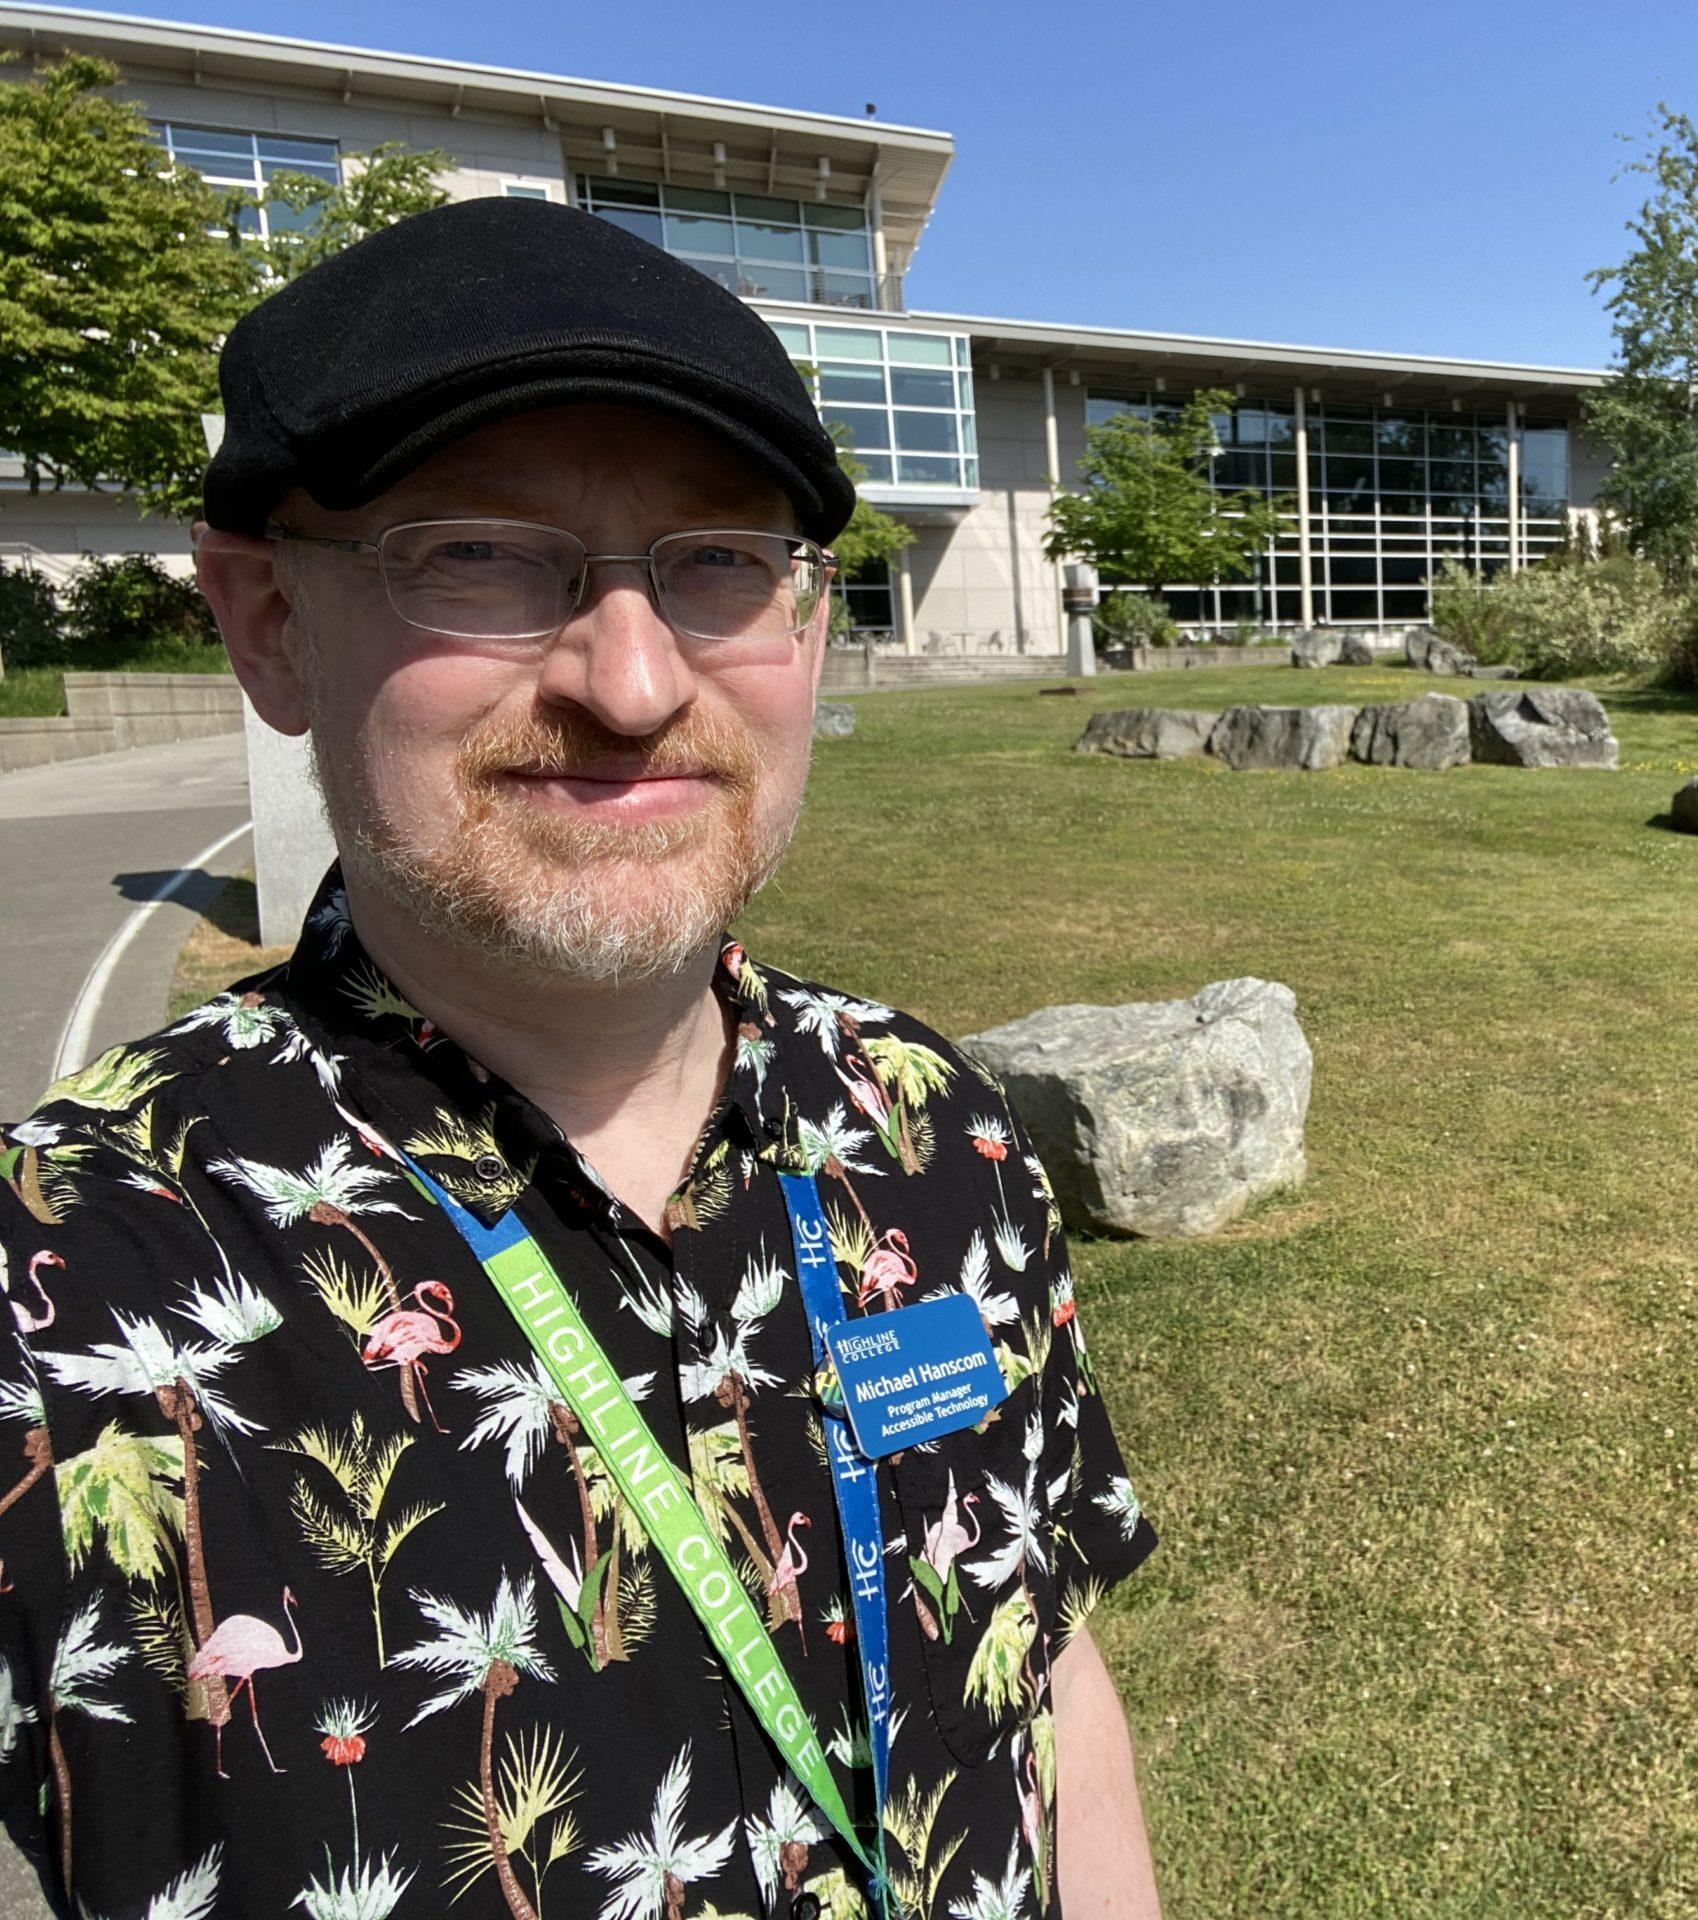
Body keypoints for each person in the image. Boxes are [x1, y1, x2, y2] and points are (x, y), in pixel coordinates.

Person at [0, 196, 1159, 1919]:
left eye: (715, 565)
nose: (629, 681)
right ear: (266, 623)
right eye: (476, 552)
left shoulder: (940, 1133)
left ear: (809, 628)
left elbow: (1045, 1667)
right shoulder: (65, 1292)